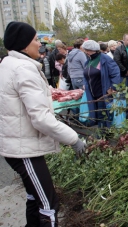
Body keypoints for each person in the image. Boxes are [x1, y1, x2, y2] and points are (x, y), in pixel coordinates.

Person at [0, 21, 86, 227]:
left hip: (17, 145)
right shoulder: (23, 69)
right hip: (24, 150)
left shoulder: (8, 64)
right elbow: (40, 118)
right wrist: (74, 139)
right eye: (36, 39)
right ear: (24, 44)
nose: (40, 44)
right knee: (49, 204)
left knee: (33, 196)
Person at [81, 40, 121, 129]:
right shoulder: (88, 61)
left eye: (87, 50)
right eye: (85, 50)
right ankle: (103, 131)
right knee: (96, 113)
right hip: (91, 93)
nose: (86, 52)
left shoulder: (104, 59)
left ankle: (103, 133)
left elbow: (115, 72)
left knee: (102, 113)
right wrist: (84, 83)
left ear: (94, 50)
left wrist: (113, 87)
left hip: (103, 91)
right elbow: (85, 74)